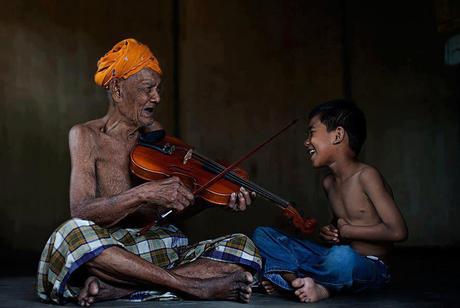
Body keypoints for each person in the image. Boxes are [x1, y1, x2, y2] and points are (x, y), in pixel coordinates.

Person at [36, 38, 261, 306]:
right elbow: (82, 211)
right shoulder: (85, 135)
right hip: (109, 249)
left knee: (244, 248)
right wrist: (142, 193)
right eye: (147, 89)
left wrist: (208, 200)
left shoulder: (155, 138)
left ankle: (118, 290)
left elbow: (167, 212)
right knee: (71, 234)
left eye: (158, 89)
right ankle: (192, 286)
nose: (157, 97)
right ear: (118, 89)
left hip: (156, 246)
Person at [252, 99, 407, 303]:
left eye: (312, 132)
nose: (306, 141)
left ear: (338, 135)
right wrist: (331, 232)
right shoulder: (328, 183)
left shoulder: (366, 176)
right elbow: (338, 225)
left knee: (341, 258)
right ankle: (301, 283)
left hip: (368, 266)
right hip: (332, 257)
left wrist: (347, 231)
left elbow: (398, 231)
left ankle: (303, 284)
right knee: (263, 234)